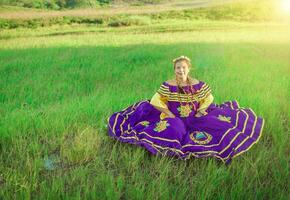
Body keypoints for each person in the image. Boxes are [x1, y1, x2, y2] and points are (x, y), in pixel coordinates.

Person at [107, 55, 265, 164]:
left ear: (188, 69)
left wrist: (202, 109)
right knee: (172, 131)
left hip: (195, 116)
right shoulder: (168, 85)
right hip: (173, 117)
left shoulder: (198, 84)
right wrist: (168, 113)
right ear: (174, 69)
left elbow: (209, 98)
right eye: (177, 68)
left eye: (183, 68)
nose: (180, 71)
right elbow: (155, 100)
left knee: (219, 127)